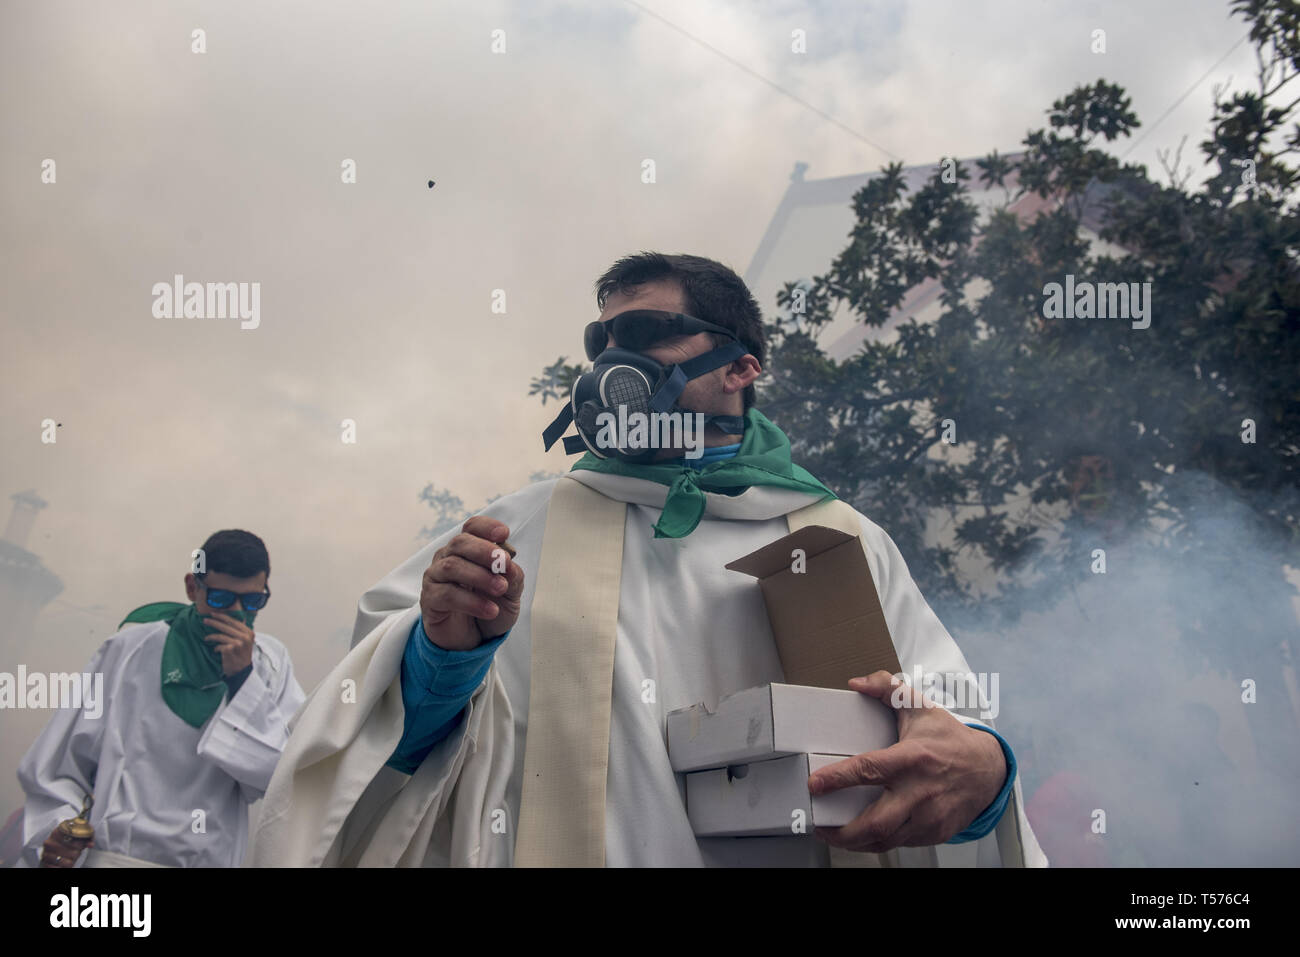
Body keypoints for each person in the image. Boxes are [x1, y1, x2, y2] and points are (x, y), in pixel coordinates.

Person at [255, 252, 1047, 867]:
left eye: (642, 337)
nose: (607, 365)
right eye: (600, 342)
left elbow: (948, 732)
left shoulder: (842, 537)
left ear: (742, 366)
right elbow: (366, 745)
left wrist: (987, 771)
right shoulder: (515, 530)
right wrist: (439, 661)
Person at [17, 529, 305, 867]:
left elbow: (278, 778)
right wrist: (56, 831)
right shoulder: (128, 650)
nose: (237, 613)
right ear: (192, 587)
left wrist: (242, 678)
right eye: (221, 599)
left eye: (253, 602)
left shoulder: (271, 664)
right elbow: (59, 765)